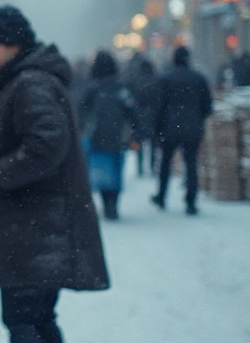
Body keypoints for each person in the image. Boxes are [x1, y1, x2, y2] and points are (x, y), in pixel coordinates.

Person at [0, 5, 109, 343]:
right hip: (36, 230)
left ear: (15, 44)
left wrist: (1, 173)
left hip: (34, 231)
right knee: (38, 319)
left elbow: (47, 144)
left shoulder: (29, 83)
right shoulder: (27, 79)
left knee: (23, 322)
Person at [151, 46, 214, 215]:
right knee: (191, 164)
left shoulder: (165, 79)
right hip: (193, 128)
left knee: (165, 162)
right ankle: (191, 201)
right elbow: (208, 107)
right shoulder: (199, 79)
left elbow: (158, 106)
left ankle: (162, 196)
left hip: (169, 127)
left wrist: (156, 129)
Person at [79, 51, 142, 220]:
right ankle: (113, 204)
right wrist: (137, 132)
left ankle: (106, 201)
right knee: (116, 170)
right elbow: (132, 111)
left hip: (96, 137)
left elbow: (82, 112)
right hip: (117, 137)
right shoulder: (121, 88)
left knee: (100, 170)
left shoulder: (92, 88)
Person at [126, 58, 159, 177]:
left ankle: (140, 168)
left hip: (139, 116)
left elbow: (133, 100)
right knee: (153, 143)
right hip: (154, 116)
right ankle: (152, 165)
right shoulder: (156, 81)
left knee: (139, 140)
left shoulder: (136, 82)